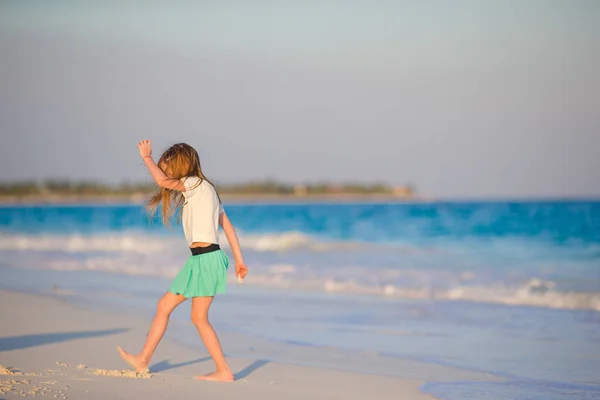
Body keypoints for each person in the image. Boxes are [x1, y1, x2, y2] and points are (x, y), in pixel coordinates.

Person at [117, 140, 248, 382]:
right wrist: (239, 260)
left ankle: (223, 371)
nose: (165, 170)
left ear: (181, 164)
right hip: (201, 260)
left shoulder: (195, 183)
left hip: (207, 259)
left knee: (193, 316)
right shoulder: (205, 189)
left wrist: (146, 158)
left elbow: (162, 182)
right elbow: (228, 228)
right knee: (171, 309)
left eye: (167, 165)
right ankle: (144, 359)